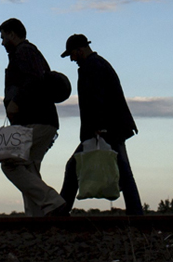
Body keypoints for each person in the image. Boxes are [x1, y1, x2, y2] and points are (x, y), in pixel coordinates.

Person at [58, 34, 143, 215]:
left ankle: (60, 212)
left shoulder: (92, 67)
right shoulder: (98, 64)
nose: (72, 59)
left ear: (80, 50)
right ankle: (136, 214)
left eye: (72, 54)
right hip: (113, 128)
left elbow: (96, 99)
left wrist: (99, 128)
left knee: (73, 166)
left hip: (105, 129)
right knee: (123, 170)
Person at [0, 18, 67, 217]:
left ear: (12, 34)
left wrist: (15, 101)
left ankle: (53, 202)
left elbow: (33, 79)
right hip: (43, 121)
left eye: (3, 37)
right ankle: (37, 217)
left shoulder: (24, 52)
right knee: (29, 168)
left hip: (35, 120)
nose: (2, 42)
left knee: (10, 164)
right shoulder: (29, 53)